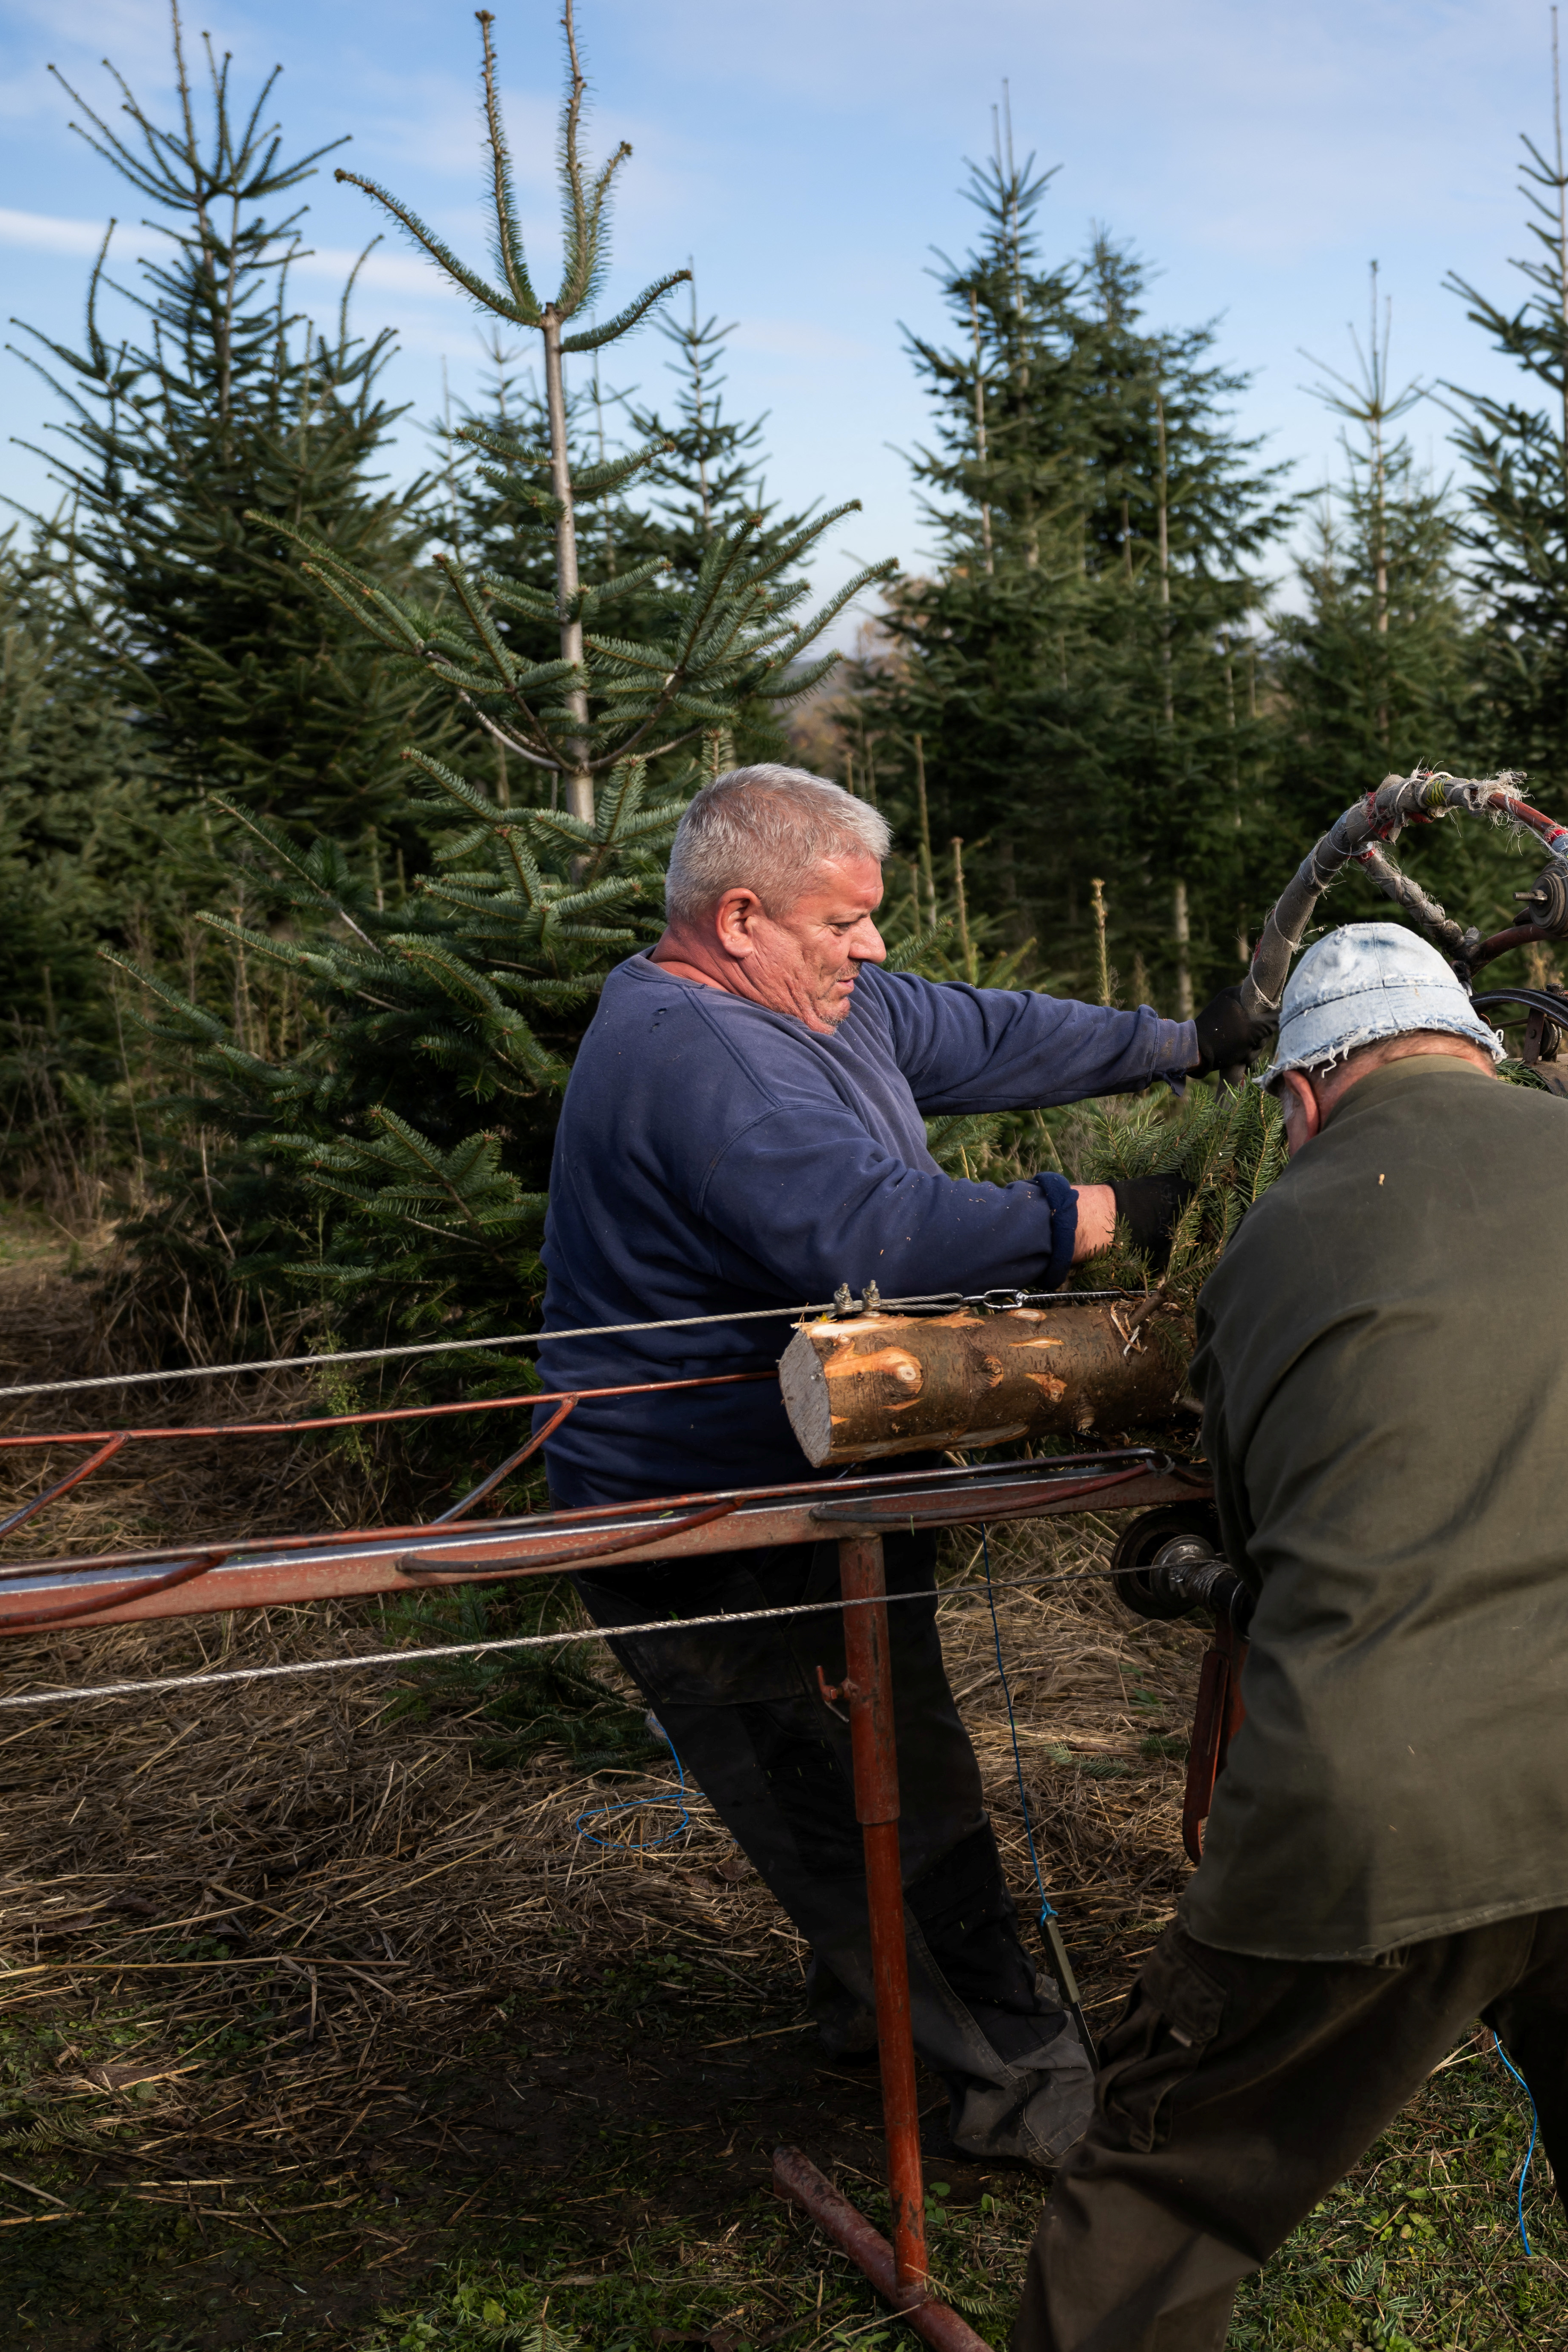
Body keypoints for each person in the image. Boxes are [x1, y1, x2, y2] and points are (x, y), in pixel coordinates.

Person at [1018, 923, 1568, 2352]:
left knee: (1162, 2192)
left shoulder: (1282, 1231)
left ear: (1305, 1096)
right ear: (1476, 1049)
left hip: (1388, 1812)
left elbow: (1270, 1534)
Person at [539, 763, 1266, 2170]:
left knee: (860, 1767)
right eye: (844, 924)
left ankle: (865, 2010)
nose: (872, 950)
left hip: (834, 1475)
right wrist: (1123, 1212)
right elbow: (880, 1234)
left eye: (874, 922)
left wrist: (1192, 1042)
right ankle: (1027, 2087)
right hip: (713, 1515)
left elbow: (988, 1030)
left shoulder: (810, 998)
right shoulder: (700, 1052)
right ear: (740, 916)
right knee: (872, 1794)